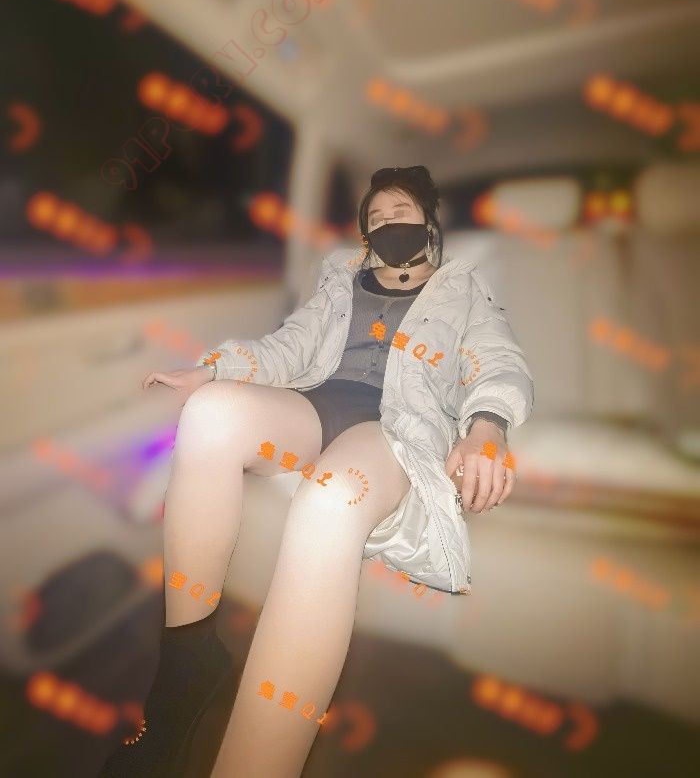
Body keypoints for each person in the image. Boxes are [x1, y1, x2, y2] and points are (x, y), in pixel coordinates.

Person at [98, 164, 533, 777]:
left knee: (330, 498)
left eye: (402, 213)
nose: (388, 224)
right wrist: (215, 369)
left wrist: (487, 424)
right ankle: (186, 665)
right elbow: (290, 347)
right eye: (376, 217)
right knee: (211, 412)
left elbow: (499, 361)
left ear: (430, 223)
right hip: (318, 402)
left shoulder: (463, 289)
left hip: (394, 426)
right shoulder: (339, 279)